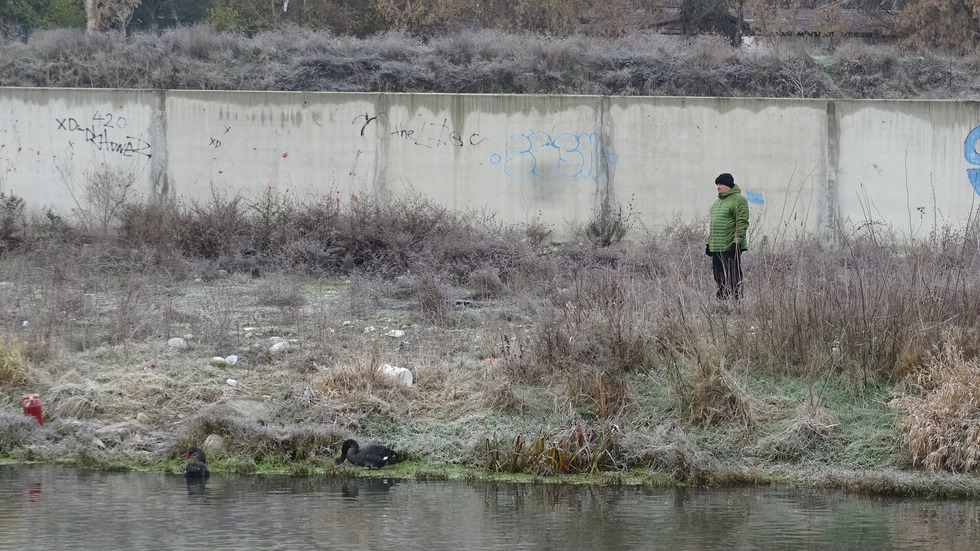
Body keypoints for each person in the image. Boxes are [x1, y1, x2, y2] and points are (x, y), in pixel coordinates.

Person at [706, 173, 749, 300]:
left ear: (729, 185)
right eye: (717, 184)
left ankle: (737, 300)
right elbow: (713, 225)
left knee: (733, 274)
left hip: (730, 245)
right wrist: (709, 243)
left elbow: (742, 221)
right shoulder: (717, 202)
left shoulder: (738, 199)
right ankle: (721, 300)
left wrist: (737, 241)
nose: (718, 187)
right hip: (717, 245)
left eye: (721, 184)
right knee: (718, 275)